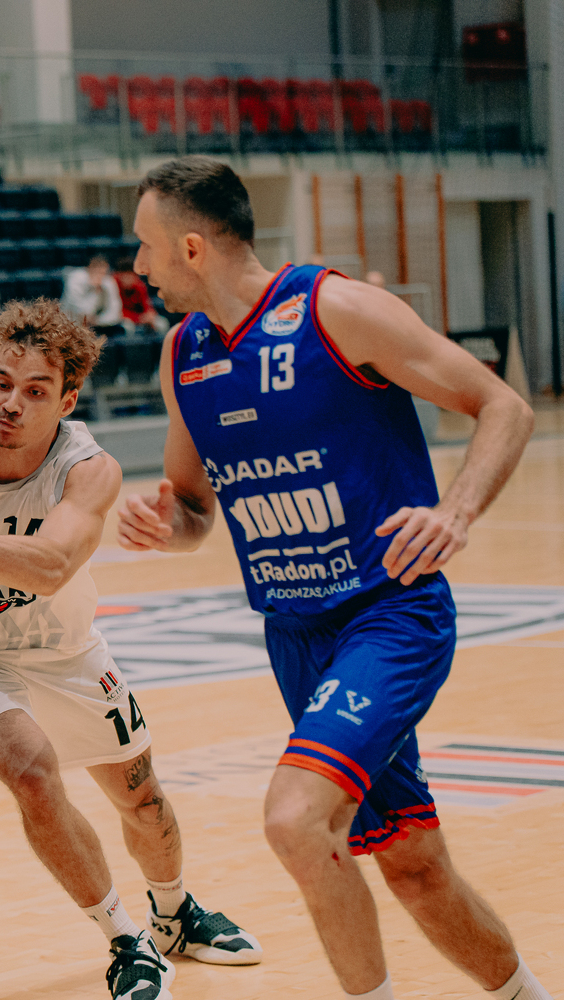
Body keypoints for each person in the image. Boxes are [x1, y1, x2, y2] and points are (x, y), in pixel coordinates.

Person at [117, 157, 549, 1000]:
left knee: (292, 821)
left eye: (145, 245)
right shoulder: (183, 353)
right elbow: (195, 508)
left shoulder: (334, 310)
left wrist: (454, 512)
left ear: (192, 247)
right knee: (414, 867)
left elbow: (505, 406)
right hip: (294, 636)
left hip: (387, 617)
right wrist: (165, 526)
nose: (138, 265)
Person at [0, 297, 262, 1000]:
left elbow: (49, 567)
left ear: (67, 399)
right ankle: (126, 941)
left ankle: (174, 913)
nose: (11, 403)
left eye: (35, 391)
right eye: (1, 382)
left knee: (142, 801)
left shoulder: (87, 469)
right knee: (32, 774)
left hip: (63, 649)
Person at [64, 255, 125, 339]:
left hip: (99, 326)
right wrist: (94, 290)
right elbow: (81, 311)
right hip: (72, 325)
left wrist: (98, 321)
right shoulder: (75, 279)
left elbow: (115, 311)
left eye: (103, 273)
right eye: (96, 271)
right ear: (89, 268)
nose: (99, 276)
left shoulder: (108, 281)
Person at [114, 258, 167, 334]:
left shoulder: (139, 286)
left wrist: (150, 315)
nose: (127, 280)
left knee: (162, 323)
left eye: (130, 276)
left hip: (138, 317)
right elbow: (117, 311)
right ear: (119, 275)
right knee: (127, 325)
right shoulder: (113, 285)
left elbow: (147, 306)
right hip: (121, 318)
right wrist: (138, 318)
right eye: (125, 276)